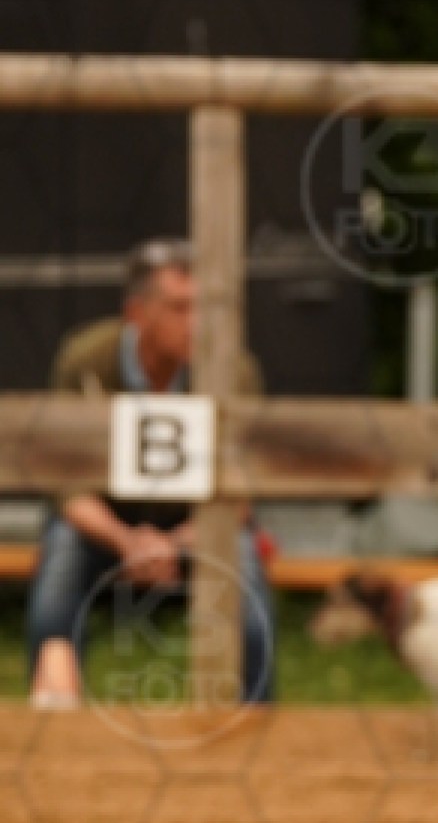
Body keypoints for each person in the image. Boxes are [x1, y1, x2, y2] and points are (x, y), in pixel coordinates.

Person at [27, 238, 275, 709]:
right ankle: (52, 720)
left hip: (201, 525)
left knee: (245, 574)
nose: (196, 323)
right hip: (102, 524)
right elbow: (66, 483)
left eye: (203, 308)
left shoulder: (234, 370)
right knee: (60, 567)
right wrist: (126, 540)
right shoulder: (84, 360)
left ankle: (257, 718)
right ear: (137, 313)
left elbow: (242, 490)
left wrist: (175, 542)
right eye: (180, 308)